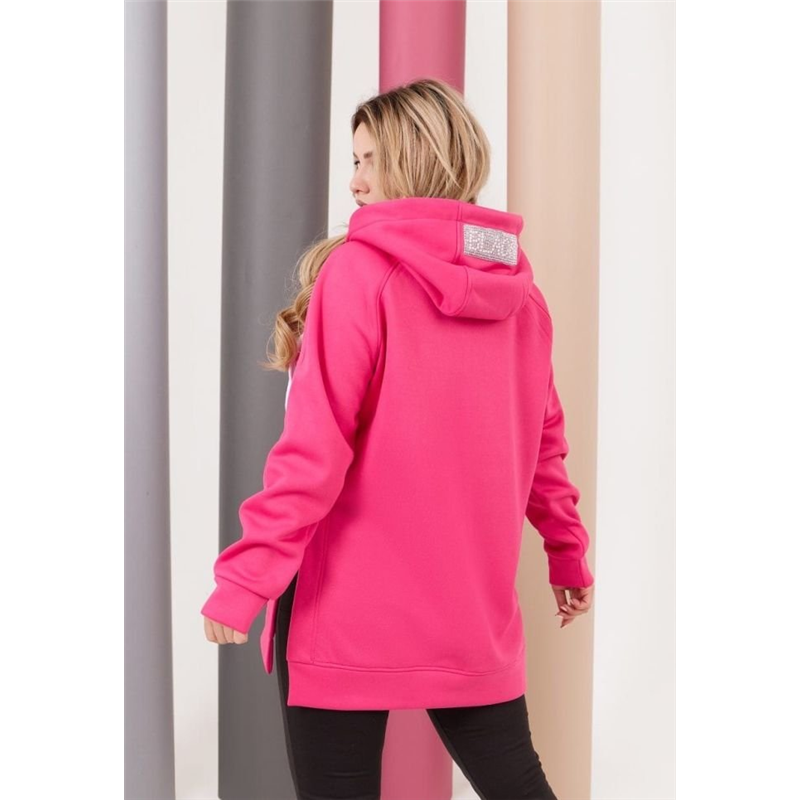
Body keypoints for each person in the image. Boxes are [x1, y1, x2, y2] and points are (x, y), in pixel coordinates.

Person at [201, 77, 595, 800]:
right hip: (471, 611)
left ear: (416, 158)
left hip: (343, 613)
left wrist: (244, 581)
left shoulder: (357, 273)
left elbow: (313, 454)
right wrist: (566, 553)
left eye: (370, 161)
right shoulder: (523, 298)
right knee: (519, 785)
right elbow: (545, 447)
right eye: (353, 161)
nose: (355, 183)